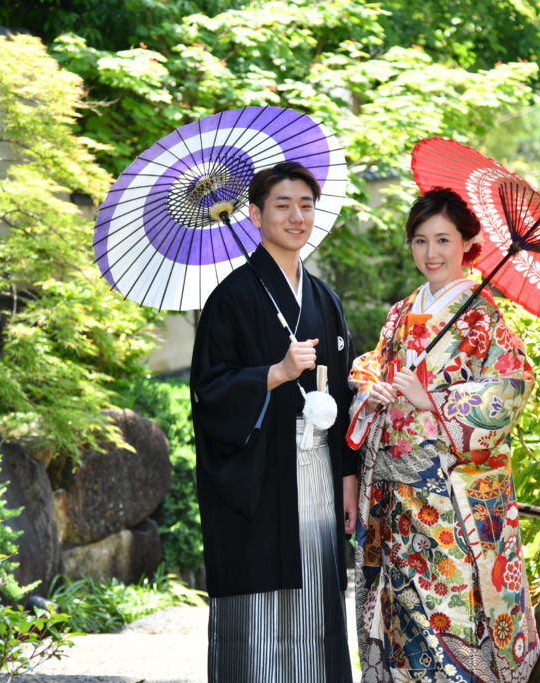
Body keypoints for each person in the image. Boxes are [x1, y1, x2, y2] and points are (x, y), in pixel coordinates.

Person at [347, 188, 540, 682]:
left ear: (467, 243)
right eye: (419, 241)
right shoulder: (400, 312)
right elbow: (371, 365)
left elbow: (511, 389)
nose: (430, 254)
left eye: (442, 240)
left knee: (448, 609)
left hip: (448, 500)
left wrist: (430, 401)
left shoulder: (483, 318)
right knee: (399, 618)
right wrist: (375, 388)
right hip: (393, 498)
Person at [190, 161, 357, 682]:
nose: (296, 216)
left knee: (316, 603)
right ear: (256, 215)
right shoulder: (231, 299)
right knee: (262, 618)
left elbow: (347, 391)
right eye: (282, 205)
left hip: (318, 473)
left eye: (306, 205)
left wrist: (348, 478)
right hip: (260, 480)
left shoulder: (325, 298)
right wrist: (273, 374)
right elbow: (208, 393)